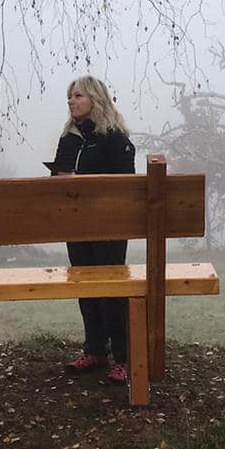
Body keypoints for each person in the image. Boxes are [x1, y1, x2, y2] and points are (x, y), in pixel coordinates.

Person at [46, 75, 137, 385]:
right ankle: (95, 350)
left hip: (109, 225)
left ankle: (124, 357)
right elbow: (60, 179)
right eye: (70, 96)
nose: (71, 101)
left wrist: (84, 182)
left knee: (111, 291)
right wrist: (61, 179)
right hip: (76, 224)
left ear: (95, 99)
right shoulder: (69, 138)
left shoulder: (115, 138)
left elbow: (125, 186)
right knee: (85, 287)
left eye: (78, 96)